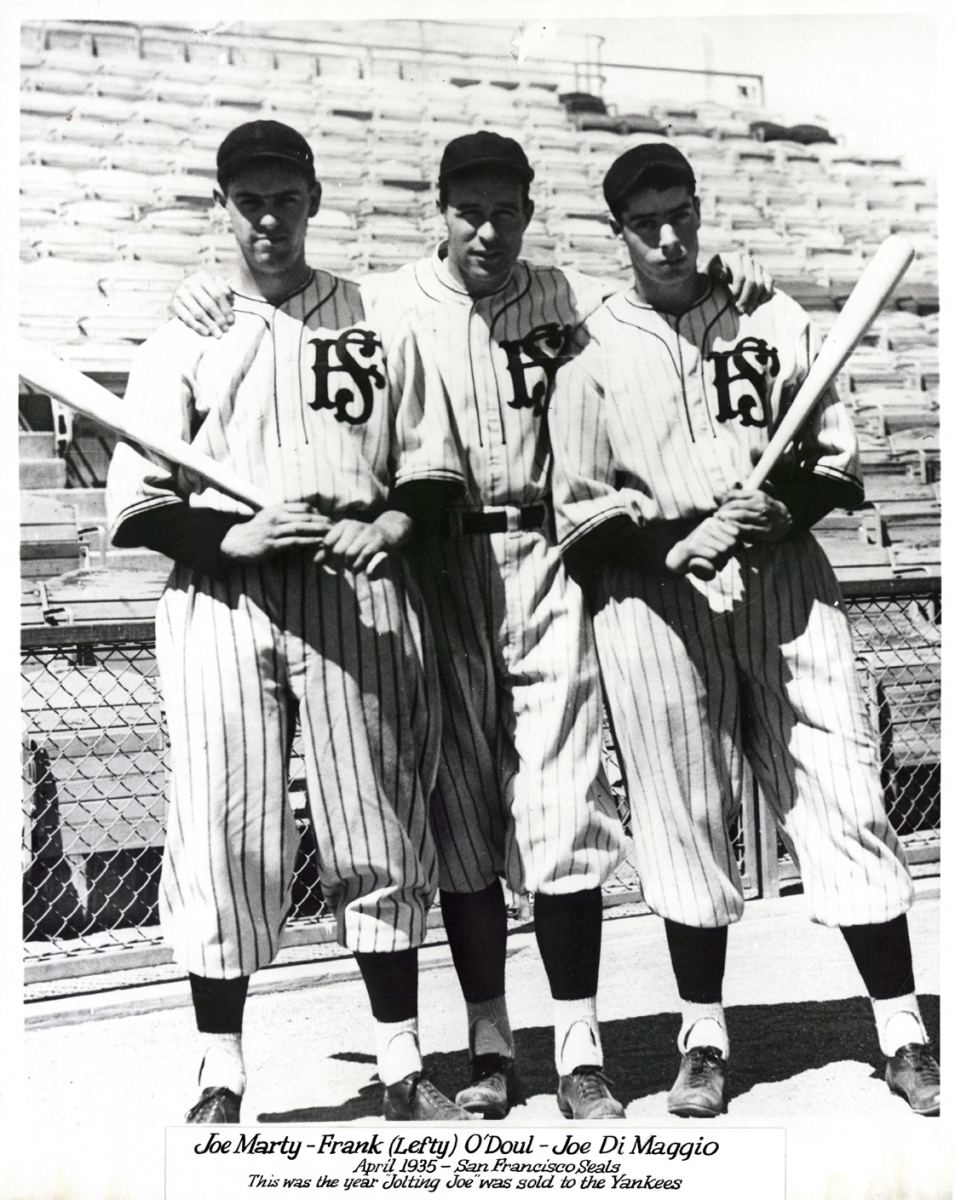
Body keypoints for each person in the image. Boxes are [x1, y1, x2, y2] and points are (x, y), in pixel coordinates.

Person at [171, 130, 773, 1121]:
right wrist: (201, 291)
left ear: (530, 213)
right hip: (428, 572)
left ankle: (579, 1047)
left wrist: (723, 272)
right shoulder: (384, 306)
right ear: (438, 210)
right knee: (457, 825)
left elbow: (667, 291)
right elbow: (270, 303)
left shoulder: (569, 295)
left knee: (560, 808)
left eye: (506, 210)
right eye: (469, 209)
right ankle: (490, 1044)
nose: (487, 228)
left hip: (544, 557)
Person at [549, 141, 941, 1119]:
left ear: (698, 206)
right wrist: (672, 540)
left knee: (845, 795)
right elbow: (578, 516)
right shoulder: (586, 345)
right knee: (680, 821)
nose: (671, 236)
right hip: (652, 608)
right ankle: (704, 1037)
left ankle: (899, 1029)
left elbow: (835, 464)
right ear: (619, 232)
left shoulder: (771, 315)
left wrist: (781, 511)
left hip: (783, 588)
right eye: (647, 223)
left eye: (681, 212)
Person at [106, 121, 473, 1123]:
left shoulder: (374, 319)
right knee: (225, 833)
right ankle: (220, 1071)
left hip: (354, 588)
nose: (267, 217)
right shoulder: (185, 334)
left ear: (312, 199)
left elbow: (433, 471)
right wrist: (233, 537)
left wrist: (393, 524)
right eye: (248, 200)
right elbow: (140, 506)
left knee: (378, 822)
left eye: (283, 197)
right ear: (223, 208)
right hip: (225, 598)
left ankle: (400, 1062)